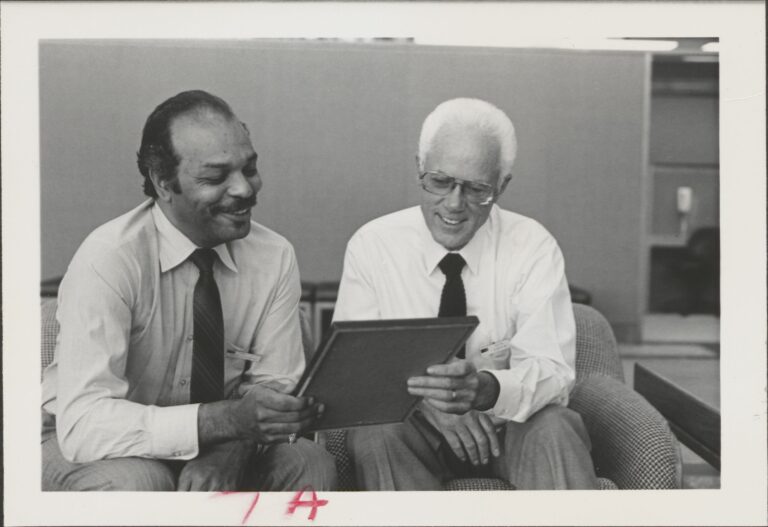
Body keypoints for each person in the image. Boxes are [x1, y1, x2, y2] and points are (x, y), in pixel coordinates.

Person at [41, 90, 337, 492]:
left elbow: (275, 385)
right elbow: (84, 425)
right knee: (142, 482)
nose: (245, 190)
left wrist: (232, 447)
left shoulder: (274, 255)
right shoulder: (108, 258)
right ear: (164, 183)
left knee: (309, 464)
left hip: (227, 440)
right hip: (97, 446)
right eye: (216, 178)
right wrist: (224, 421)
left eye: (249, 168)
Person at [333, 98, 598, 490]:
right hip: (414, 429)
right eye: (440, 182)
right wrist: (430, 404)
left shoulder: (533, 246)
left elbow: (554, 373)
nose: (454, 205)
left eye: (476, 189)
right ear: (419, 169)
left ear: (502, 185)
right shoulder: (373, 245)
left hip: (507, 429)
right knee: (376, 434)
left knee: (556, 426)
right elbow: (354, 369)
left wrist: (485, 390)